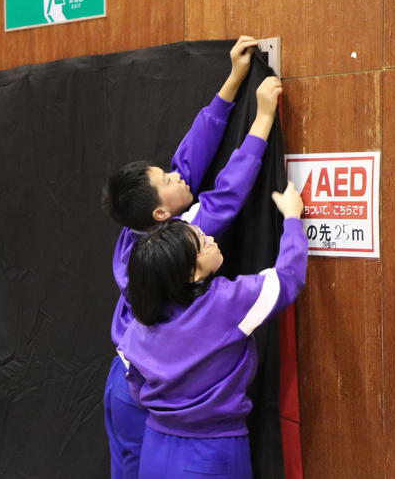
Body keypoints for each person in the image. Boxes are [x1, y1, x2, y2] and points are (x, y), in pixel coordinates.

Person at [100, 35, 283, 478]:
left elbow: (188, 161)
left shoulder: (137, 231)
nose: (177, 174)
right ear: (162, 215)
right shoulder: (182, 239)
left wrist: (233, 80)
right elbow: (229, 191)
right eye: (166, 180)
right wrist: (262, 116)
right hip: (142, 393)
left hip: (130, 382)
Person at [118, 181, 307, 479]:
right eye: (202, 243)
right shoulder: (225, 302)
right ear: (190, 273)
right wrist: (293, 218)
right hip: (211, 453)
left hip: (155, 449)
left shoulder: (140, 324)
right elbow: (288, 278)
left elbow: (135, 383)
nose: (211, 239)